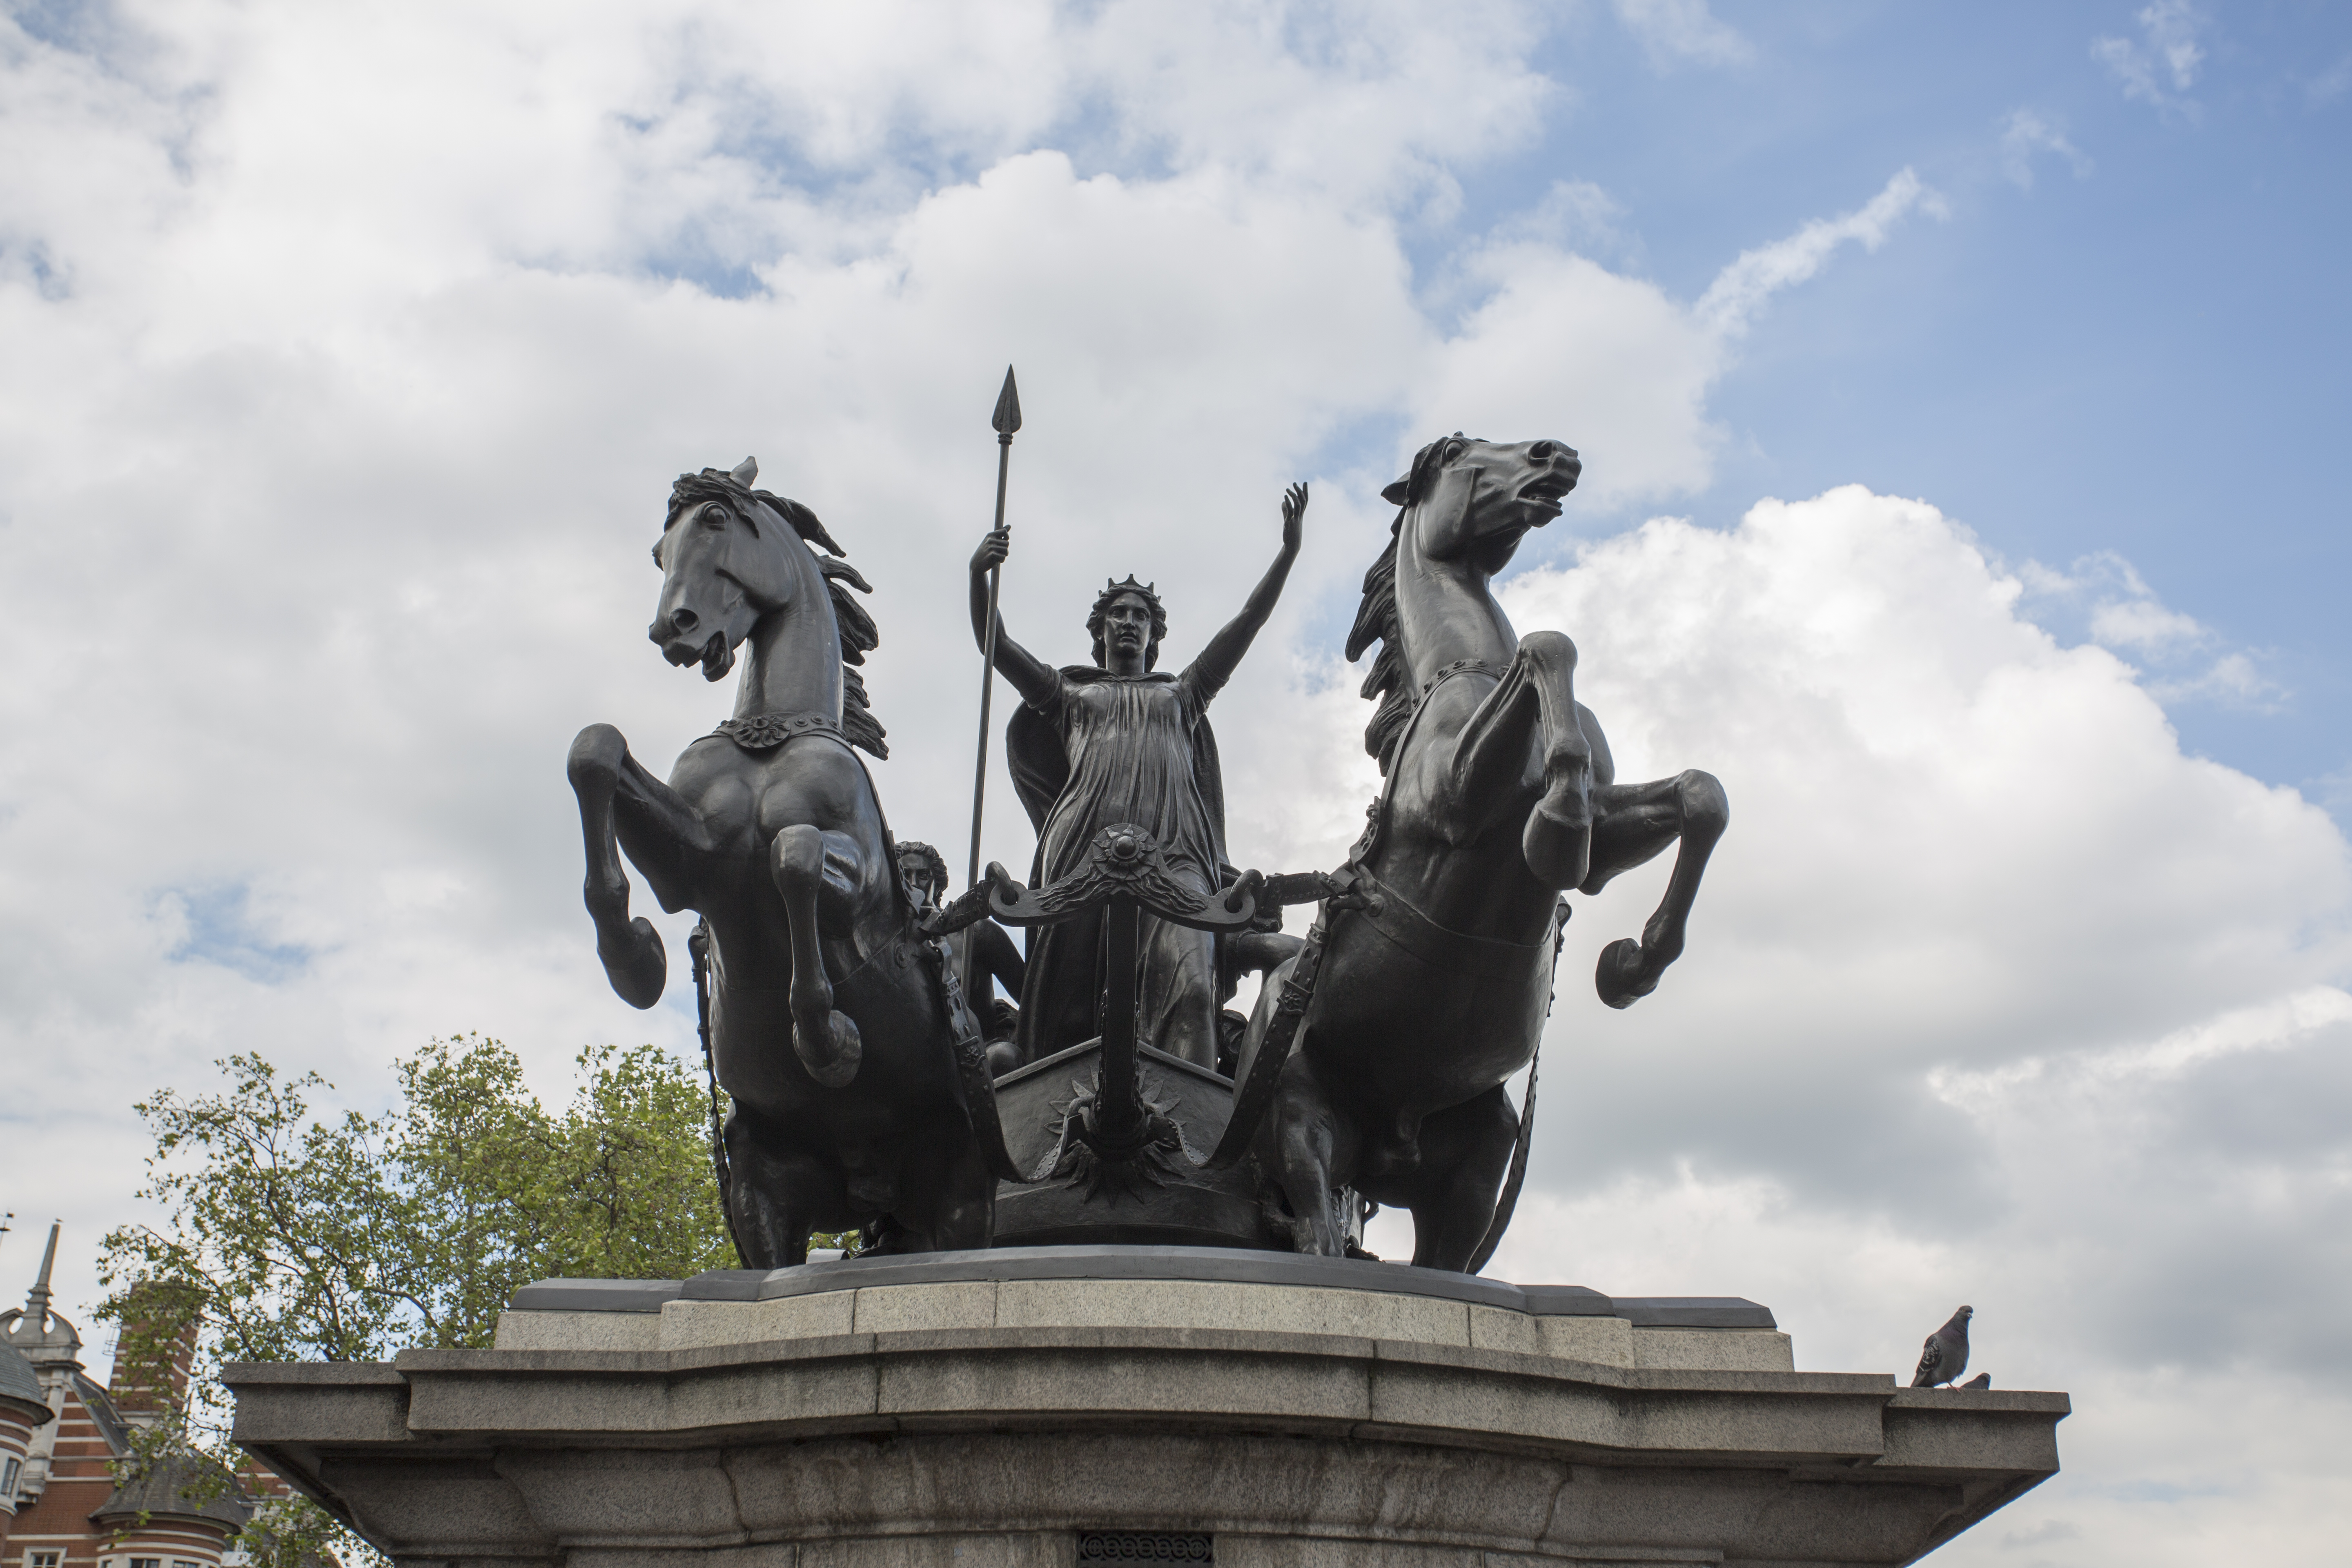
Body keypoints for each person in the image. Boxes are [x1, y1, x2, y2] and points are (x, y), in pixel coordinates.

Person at [970, 483, 1305, 1071]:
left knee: (1193, 989)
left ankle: (1191, 1140)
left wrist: (1288, 552)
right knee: (1063, 1018)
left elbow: (1248, 622)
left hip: (1176, 855)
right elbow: (994, 646)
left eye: (1141, 616)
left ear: (1154, 635)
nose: (1129, 622)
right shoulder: (1069, 695)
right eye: (1118, 614)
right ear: (1099, 630)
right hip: (1081, 853)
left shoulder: (1185, 694)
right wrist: (978, 575)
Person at [895, 839, 1025, 1078]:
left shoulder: (976, 934)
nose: (913, 884)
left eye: (923, 876)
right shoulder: (885, 950)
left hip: (982, 1059)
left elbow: (1031, 996)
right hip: (914, 1070)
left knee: (1003, 1058)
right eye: (905, 875)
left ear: (938, 885)